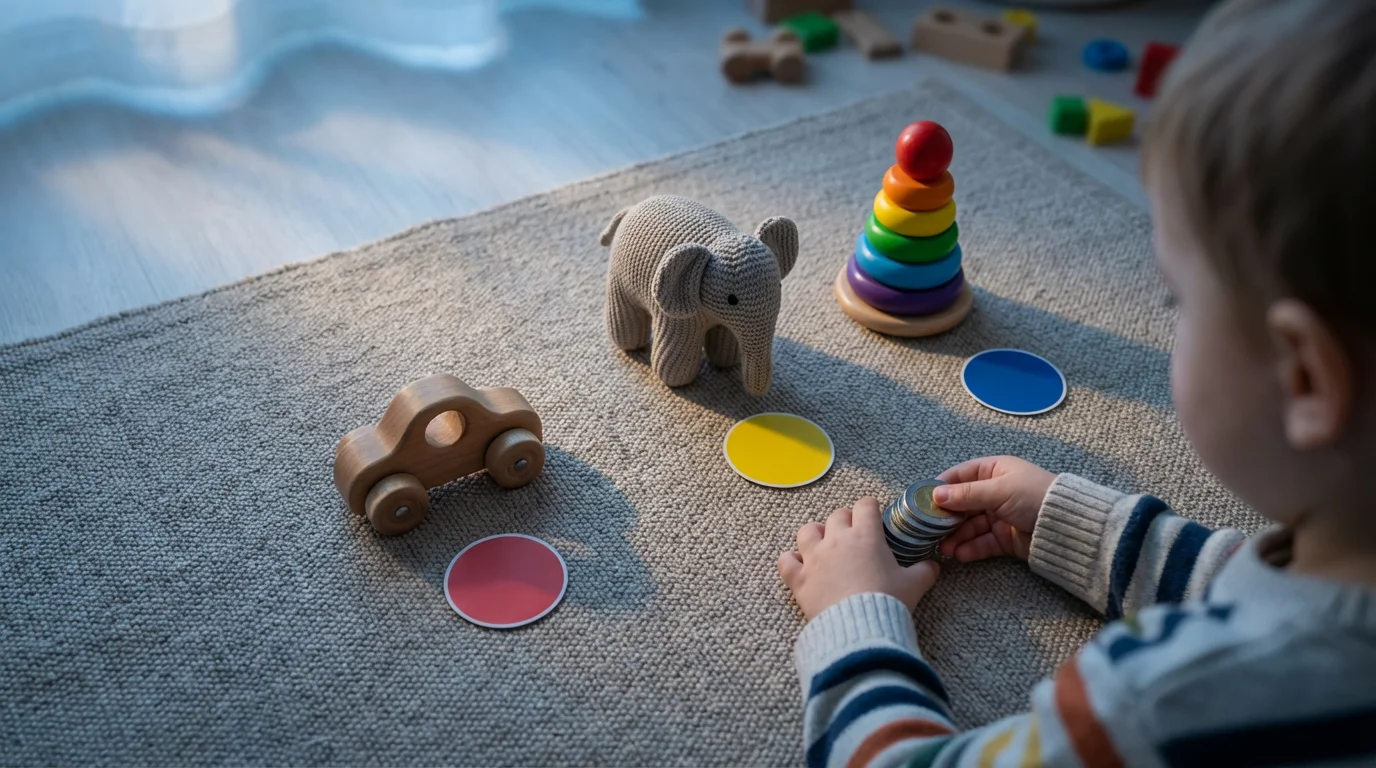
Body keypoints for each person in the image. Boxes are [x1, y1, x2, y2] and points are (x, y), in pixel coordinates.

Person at [778, 1, 1376, 764]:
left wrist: (854, 618)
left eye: (1179, 300)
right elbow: (1261, 587)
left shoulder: (1160, 702)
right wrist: (1082, 529)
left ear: (1304, 378)